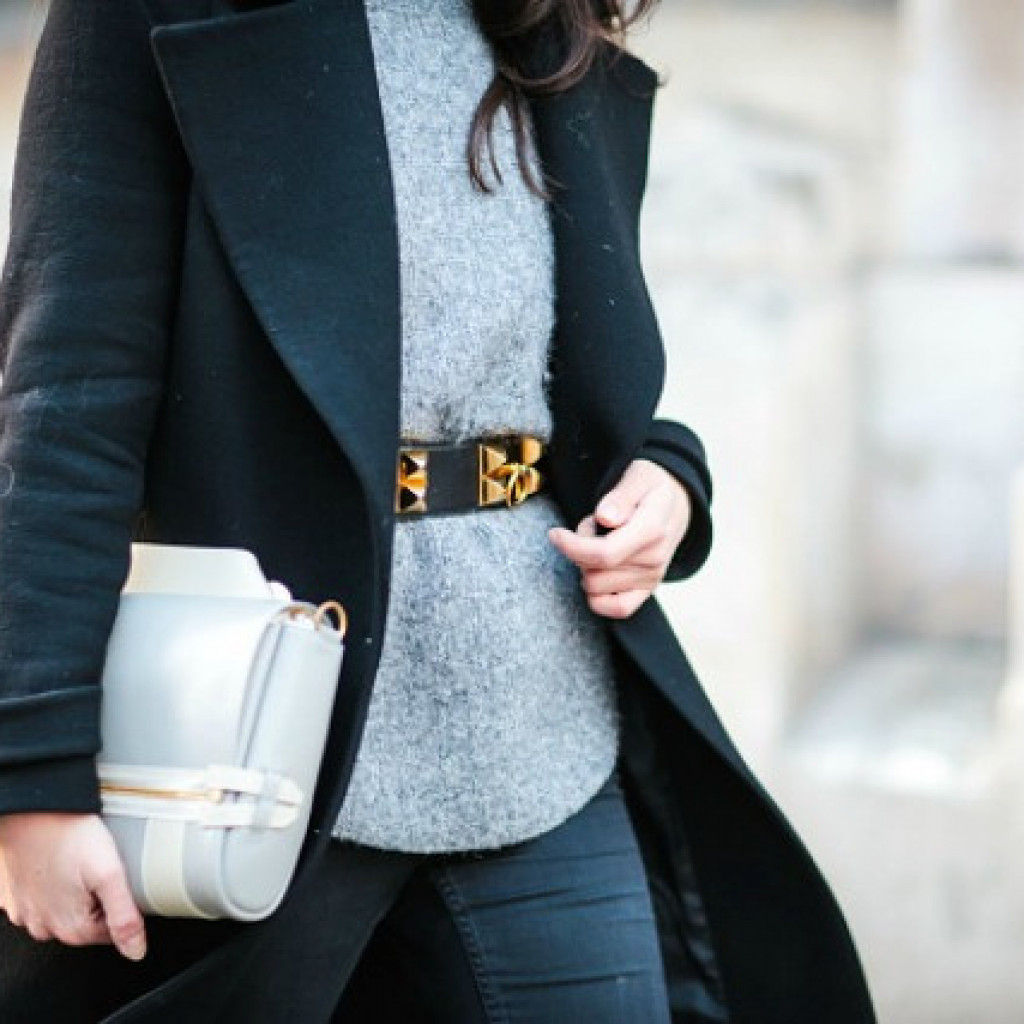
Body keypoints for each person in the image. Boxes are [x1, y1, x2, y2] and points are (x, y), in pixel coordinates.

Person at [0, 0, 877, 1021]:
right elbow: (67, 406)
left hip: (538, 733)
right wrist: (32, 773)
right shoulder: (153, 12)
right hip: (251, 750)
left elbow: (549, 390)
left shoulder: (543, 22)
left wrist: (668, 474)